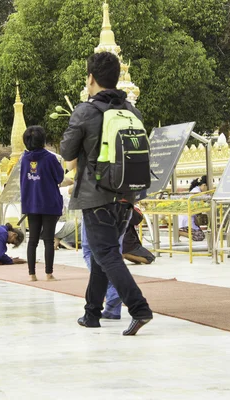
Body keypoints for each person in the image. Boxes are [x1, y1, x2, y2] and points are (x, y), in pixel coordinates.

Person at [60, 51, 153, 336]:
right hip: (126, 196)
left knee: (106, 254)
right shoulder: (131, 111)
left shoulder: (85, 111)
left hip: (97, 194)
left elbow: (67, 153)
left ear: (90, 78)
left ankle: (139, 308)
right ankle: (91, 313)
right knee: (104, 253)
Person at [20, 125, 64, 282]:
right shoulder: (50, 158)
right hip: (49, 202)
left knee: (32, 239)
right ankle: (48, 273)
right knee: (48, 239)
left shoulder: (24, 159)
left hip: (31, 204)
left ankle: (32, 274)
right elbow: (59, 177)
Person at [178, 176, 208, 242]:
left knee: (201, 234)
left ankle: (181, 231)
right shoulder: (197, 193)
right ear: (204, 185)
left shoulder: (195, 190)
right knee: (200, 236)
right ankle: (180, 232)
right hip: (187, 219)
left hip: (187, 217)